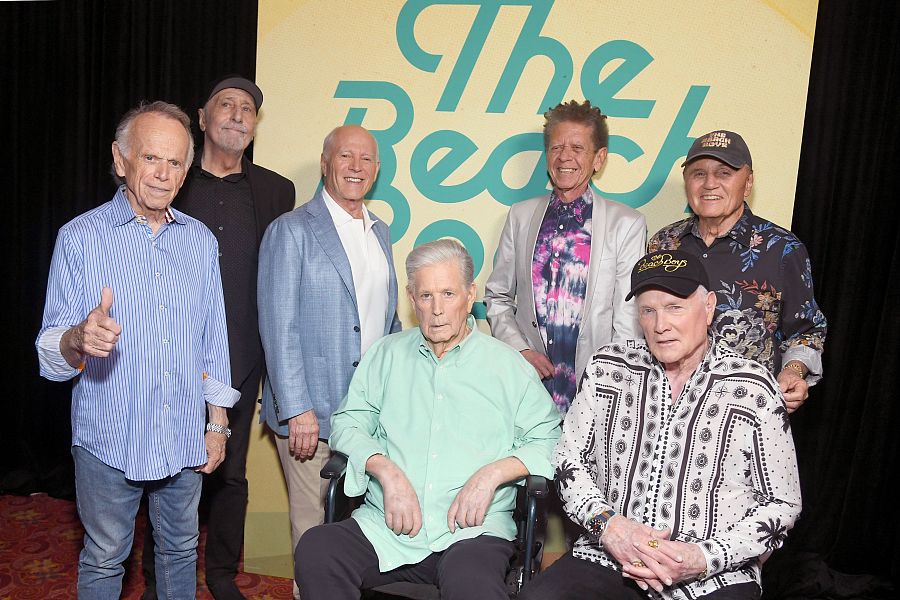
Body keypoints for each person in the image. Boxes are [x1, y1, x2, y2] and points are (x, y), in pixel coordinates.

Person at [35, 101, 239, 599]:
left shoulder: (197, 242)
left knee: (179, 551)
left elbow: (213, 335)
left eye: (174, 163)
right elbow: (48, 352)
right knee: (106, 559)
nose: (162, 174)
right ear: (120, 159)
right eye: (150, 158)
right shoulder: (79, 238)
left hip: (183, 433)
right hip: (109, 435)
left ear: (186, 171)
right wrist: (78, 338)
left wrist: (216, 424)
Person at [519, 249, 801, 600]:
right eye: (648, 310)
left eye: (674, 308)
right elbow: (567, 459)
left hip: (713, 576)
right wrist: (609, 528)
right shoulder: (608, 368)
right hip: (608, 559)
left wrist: (702, 557)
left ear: (709, 307)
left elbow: (783, 504)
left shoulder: (753, 388)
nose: (660, 324)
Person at [294, 239, 562, 600]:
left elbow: (551, 439)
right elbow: (347, 422)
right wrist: (384, 470)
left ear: (470, 296)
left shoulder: (508, 366)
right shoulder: (385, 355)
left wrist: (493, 474)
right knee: (318, 548)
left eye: (448, 294)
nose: (437, 310)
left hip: (472, 532)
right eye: (426, 296)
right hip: (387, 528)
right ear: (411, 297)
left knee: (473, 586)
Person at [140, 75, 295, 600]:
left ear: (255, 125)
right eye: (224, 105)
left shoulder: (277, 190)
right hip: (172, 355)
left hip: (243, 356)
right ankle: (159, 576)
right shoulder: (171, 181)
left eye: (247, 108)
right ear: (201, 119)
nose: (236, 114)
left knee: (230, 472)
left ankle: (223, 576)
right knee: (164, 470)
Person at [257, 124, 401, 596]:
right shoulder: (292, 230)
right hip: (312, 417)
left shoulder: (381, 232)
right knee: (314, 532)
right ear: (325, 164)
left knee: (359, 534)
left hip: (369, 416)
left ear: (377, 169)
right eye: (346, 157)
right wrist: (297, 408)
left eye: (366, 159)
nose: (356, 167)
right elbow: (278, 327)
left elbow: (388, 321)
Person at [648, 130, 827, 413]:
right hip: (668, 413)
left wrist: (793, 371)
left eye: (724, 173)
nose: (709, 184)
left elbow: (807, 331)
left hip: (746, 413)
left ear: (748, 182)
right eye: (698, 173)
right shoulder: (663, 244)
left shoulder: (782, 250)